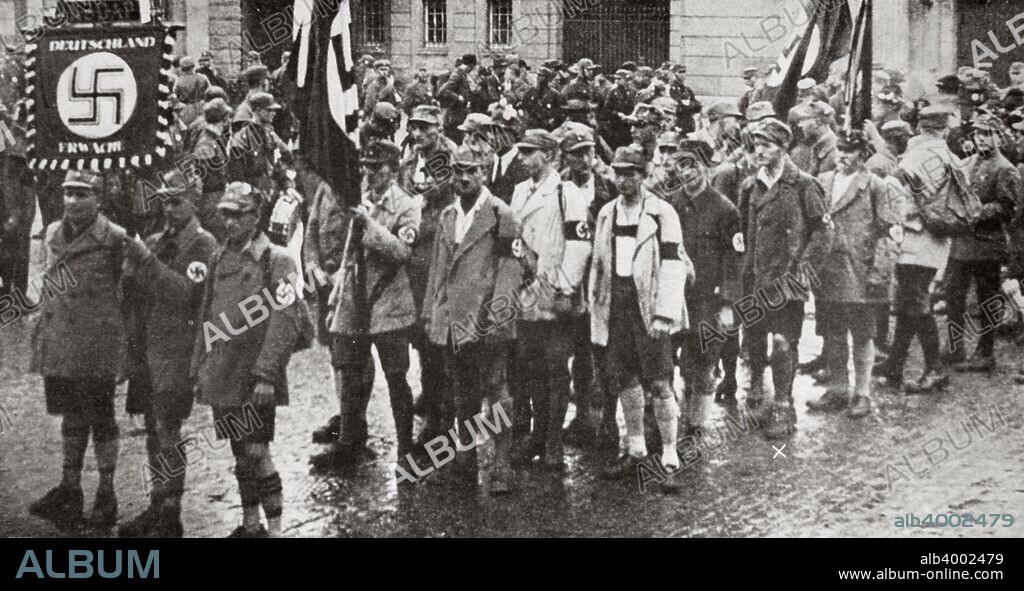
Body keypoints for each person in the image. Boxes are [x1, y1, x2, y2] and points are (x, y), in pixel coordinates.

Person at [190, 182, 313, 538]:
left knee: (257, 451)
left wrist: (266, 376)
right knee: (239, 452)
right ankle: (250, 524)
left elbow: (286, 319)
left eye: (236, 214)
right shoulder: (218, 256)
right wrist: (199, 365)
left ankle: (274, 529)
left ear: (255, 217)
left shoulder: (277, 259)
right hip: (224, 372)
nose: (228, 222)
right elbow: (207, 315)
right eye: (224, 214)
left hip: (254, 374)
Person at [28, 170, 134, 528]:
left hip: (96, 345)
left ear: (99, 199)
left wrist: (124, 352)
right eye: (68, 193)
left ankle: (106, 492)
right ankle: (70, 488)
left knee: (101, 419)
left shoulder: (115, 239)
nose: (72, 201)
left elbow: (128, 296)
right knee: (71, 417)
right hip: (61, 341)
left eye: (82, 194)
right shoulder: (53, 232)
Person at [119, 171, 219, 537]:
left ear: (194, 203)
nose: (169, 209)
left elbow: (186, 296)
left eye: (177, 202)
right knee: (151, 427)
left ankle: (171, 511)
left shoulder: (203, 246)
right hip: (149, 347)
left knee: (168, 429)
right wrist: (129, 274)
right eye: (165, 201)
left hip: (178, 351)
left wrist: (147, 263)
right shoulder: (157, 240)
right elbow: (134, 296)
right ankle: (157, 502)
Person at [312, 141, 422, 475]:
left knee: (395, 377)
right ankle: (349, 441)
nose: (369, 173)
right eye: (365, 167)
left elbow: (402, 251)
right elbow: (327, 233)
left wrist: (368, 226)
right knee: (350, 372)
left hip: (387, 301)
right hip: (352, 299)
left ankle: (406, 447)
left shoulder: (406, 205)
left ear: (393, 169)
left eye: (376, 167)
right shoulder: (354, 198)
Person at [420, 145, 525, 493]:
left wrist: (499, 319)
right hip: (453, 319)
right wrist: (430, 314)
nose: (464, 178)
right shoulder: (449, 216)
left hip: (486, 318)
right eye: (458, 171)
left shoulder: (500, 215)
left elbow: (511, 269)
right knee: (461, 392)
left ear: (484, 172)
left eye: (472, 171)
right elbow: (438, 269)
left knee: (496, 388)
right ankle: (464, 459)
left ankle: (502, 464)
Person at [590, 145, 688, 493]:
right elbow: (599, 264)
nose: (623, 180)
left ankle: (670, 457)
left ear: (644, 177)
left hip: (649, 307)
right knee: (625, 380)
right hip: (617, 307)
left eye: (630, 173)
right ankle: (635, 449)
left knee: (660, 382)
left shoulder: (662, 213)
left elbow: (674, 264)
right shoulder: (606, 213)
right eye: (618, 173)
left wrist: (665, 313)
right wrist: (596, 305)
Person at [737, 119, 827, 438]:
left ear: (783, 148)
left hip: (787, 281)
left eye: (766, 145)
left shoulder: (804, 184)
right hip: (755, 278)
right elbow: (741, 232)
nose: (759, 150)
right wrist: (740, 266)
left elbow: (822, 230)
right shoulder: (750, 186)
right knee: (755, 340)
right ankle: (757, 396)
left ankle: (783, 408)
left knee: (783, 343)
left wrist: (804, 266)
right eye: (756, 144)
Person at [508, 130, 592, 468]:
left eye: (530, 152)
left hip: (555, 291)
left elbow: (580, 244)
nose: (524, 158)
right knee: (532, 367)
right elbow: (516, 236)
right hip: (527, 292)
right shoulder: (519, 191)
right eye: (522, 153)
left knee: (556, 367)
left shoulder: (566, 193)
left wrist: (564, 287)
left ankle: (554, 442)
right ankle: (538, 435)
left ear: (548, 155)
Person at [803, 130, 900, 419]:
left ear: (862, 154)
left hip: (860, 272)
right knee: (831, 333)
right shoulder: (823, 181)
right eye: (839, 149)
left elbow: (889, 231)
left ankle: (862, 394)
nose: (842, 155)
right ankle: (837, 389)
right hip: (829, 270)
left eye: (849, 150)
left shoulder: (874, 186)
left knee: (861, 335)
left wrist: (880, 271)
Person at [874, 105, 960, 393]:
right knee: (908, 302)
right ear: (943, 128)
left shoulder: (922, 154)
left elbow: (895, 187)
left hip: (916, 237)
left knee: (915, 303)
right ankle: (895, 362)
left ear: (921, 127)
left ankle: (934, 368)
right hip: (930, 238)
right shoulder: (945, 153)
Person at [662, 140, 741, 427]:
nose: (686, 173)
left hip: (707, 299)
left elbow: (734, 260)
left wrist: (729, 304)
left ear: (706, 167)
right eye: (680, 165)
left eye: (693, 165)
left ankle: (697, 426)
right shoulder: (670, 205)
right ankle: (669, 423)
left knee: (704, 364)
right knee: (666, 361)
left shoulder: (724, 209)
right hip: (673, 297)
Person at [945, 114, 1022, 373]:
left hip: (987, 244)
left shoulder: (1005, 168)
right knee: (953, 296)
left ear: (998, 137)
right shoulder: (969, 162)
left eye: (987, 134)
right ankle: (955, 347)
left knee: (987, 301)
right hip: (961, 243)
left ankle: (985, 352)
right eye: (978, 134)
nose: (981, 139)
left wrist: (977, 212)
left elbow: (1008, 209)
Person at [557, 125, 617, 448]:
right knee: (577, 353)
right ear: (565, 157)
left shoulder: (608, 188)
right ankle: (582, 416)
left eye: (589, 152)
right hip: (569, 282)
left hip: (602, 282)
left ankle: (606, 421)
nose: (584, 159)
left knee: (604, 354)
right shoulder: (559, 189)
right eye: (577, 153)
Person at [190, 98, 233, 242]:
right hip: (210, 201)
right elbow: (199, 178)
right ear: (222, 120)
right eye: (226, 119)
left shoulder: (212, 140)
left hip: (215, 199)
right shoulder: (206, 143)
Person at [438, 54, 478, 143]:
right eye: (473, 67)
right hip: (455, 113)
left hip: (460, 112)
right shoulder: (457, 74)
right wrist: (458, 97)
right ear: (470, 65)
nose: (472, 69)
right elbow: (447, 90)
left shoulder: (462, 74)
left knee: (458, 137)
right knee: (454, 138)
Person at [172, 56, 210, 127]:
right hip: (203, 107)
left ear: (182, 68)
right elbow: (210, 91)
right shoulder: (203, 77)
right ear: (193, 66)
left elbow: (174, 96)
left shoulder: (179, 81)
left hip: (187, 110)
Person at [669, 64, 702, 135]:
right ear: (674, 73)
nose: (682, 74)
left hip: (688, 119)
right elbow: (680, 103)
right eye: (680, 72)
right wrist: (693, 105)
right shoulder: (673, 87)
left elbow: (693, 100)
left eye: (684, 72)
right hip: (680, 119)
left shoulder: (686, 89)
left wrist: (697, 105)